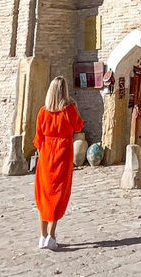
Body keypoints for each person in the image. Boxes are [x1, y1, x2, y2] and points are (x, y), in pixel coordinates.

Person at [33, 76, 84, 251]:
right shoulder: (68, 110)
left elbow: (38, 139)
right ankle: (52, 236)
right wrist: (75, 107)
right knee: (58, 194)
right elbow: (79, 126)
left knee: (44, 196)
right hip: (63, 153)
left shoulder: (42, 112)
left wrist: (43, 154)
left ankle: (42, 236)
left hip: (46, 154)